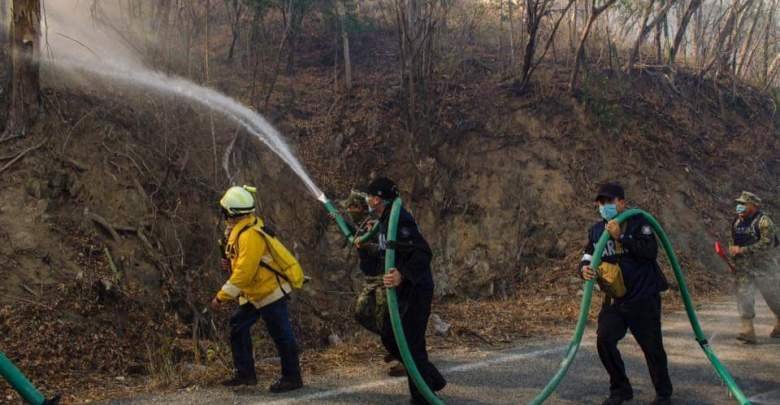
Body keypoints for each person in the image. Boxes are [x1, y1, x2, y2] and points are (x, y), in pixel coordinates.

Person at [580, 183, 672, 405]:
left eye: (610, 202)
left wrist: (621, 236)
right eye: (601, 203)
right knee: (604, 339)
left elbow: (650, 252)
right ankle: (620, 389)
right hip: (615, 300)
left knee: (652, 347)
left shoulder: (640, 223)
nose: (605, 206)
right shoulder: (595, 230)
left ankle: (663, 394)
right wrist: (583, 269)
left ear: (621, 202)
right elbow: (587, 255)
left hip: (643, 299)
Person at [210, 186, 303, 393]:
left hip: (269, 292)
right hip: (255, 292)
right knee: (238, 325)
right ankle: (245, 374)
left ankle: (292, 377)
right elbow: (240, 261)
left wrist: (221, 297)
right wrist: (228, 263)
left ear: (230, 212)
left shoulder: (249, 235)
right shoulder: (239, 230)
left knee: (281, 335)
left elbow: (244, 272)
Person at [363, 177, 446, 404]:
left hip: (416, 290)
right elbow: (378, 261)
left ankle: (423, 398)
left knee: (412, 343)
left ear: (377, 198)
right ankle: (430, 379)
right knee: (390, 337)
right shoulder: (383, 221)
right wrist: (363, 247)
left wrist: (402, 274)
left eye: (368, 196)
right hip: (399, 293)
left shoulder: (399, 220)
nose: (366, 200)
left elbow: (423, 253)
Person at [344, 191, 406, 377]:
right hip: (370, 279)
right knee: (361, 313)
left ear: (363, 207)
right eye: (349, 208)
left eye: (354, 207)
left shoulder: (376, 223)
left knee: (385, 319)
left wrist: (365, 245)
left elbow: (381, 247)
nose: (351, 210)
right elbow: (353, 235)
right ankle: (394, 344)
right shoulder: (360, 225)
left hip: (382, 277)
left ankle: (403, 357)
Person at [728, 191, 780, 344]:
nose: (740, 207)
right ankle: (747, 331)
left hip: (765, 269)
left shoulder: (764, 222)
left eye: (744, 204)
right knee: (744, 297)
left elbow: (767, 244)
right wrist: (732, 253)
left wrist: (743, 250)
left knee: (774, 298)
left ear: (754, 206)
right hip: (744, 269)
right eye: (739, 204)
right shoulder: (737, 222)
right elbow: (733, 240)